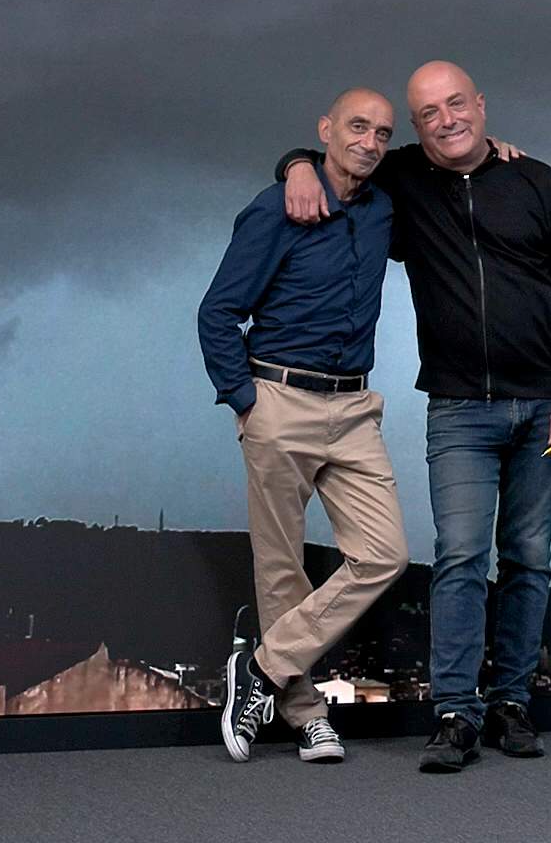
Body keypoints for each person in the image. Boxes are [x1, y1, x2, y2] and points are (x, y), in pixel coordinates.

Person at [277, 61, 551, 772]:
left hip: (545, 405)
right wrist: (296, 165)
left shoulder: (538, 181)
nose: (447, 119)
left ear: (481, 106)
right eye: (429, 113)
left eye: (457, 104)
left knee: (529, 559)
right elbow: (341, 158)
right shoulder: (407, 181)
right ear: (417, 130)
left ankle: (512, 704)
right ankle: (455, 712)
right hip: (457, 410)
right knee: (459, 557)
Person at [197, 87, 411, 765]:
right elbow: (217, 312)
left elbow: (446, 164)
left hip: (353, 408)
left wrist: (499, 154)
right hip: (279, 398)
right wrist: (245, 399)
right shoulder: (277, 208)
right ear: (325, 128)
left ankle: (257, 672)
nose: (370, 142)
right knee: (281, 567)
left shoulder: (383, 206)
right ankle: (304, 709)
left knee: (384, 555)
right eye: (357, 127)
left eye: (382, 132)